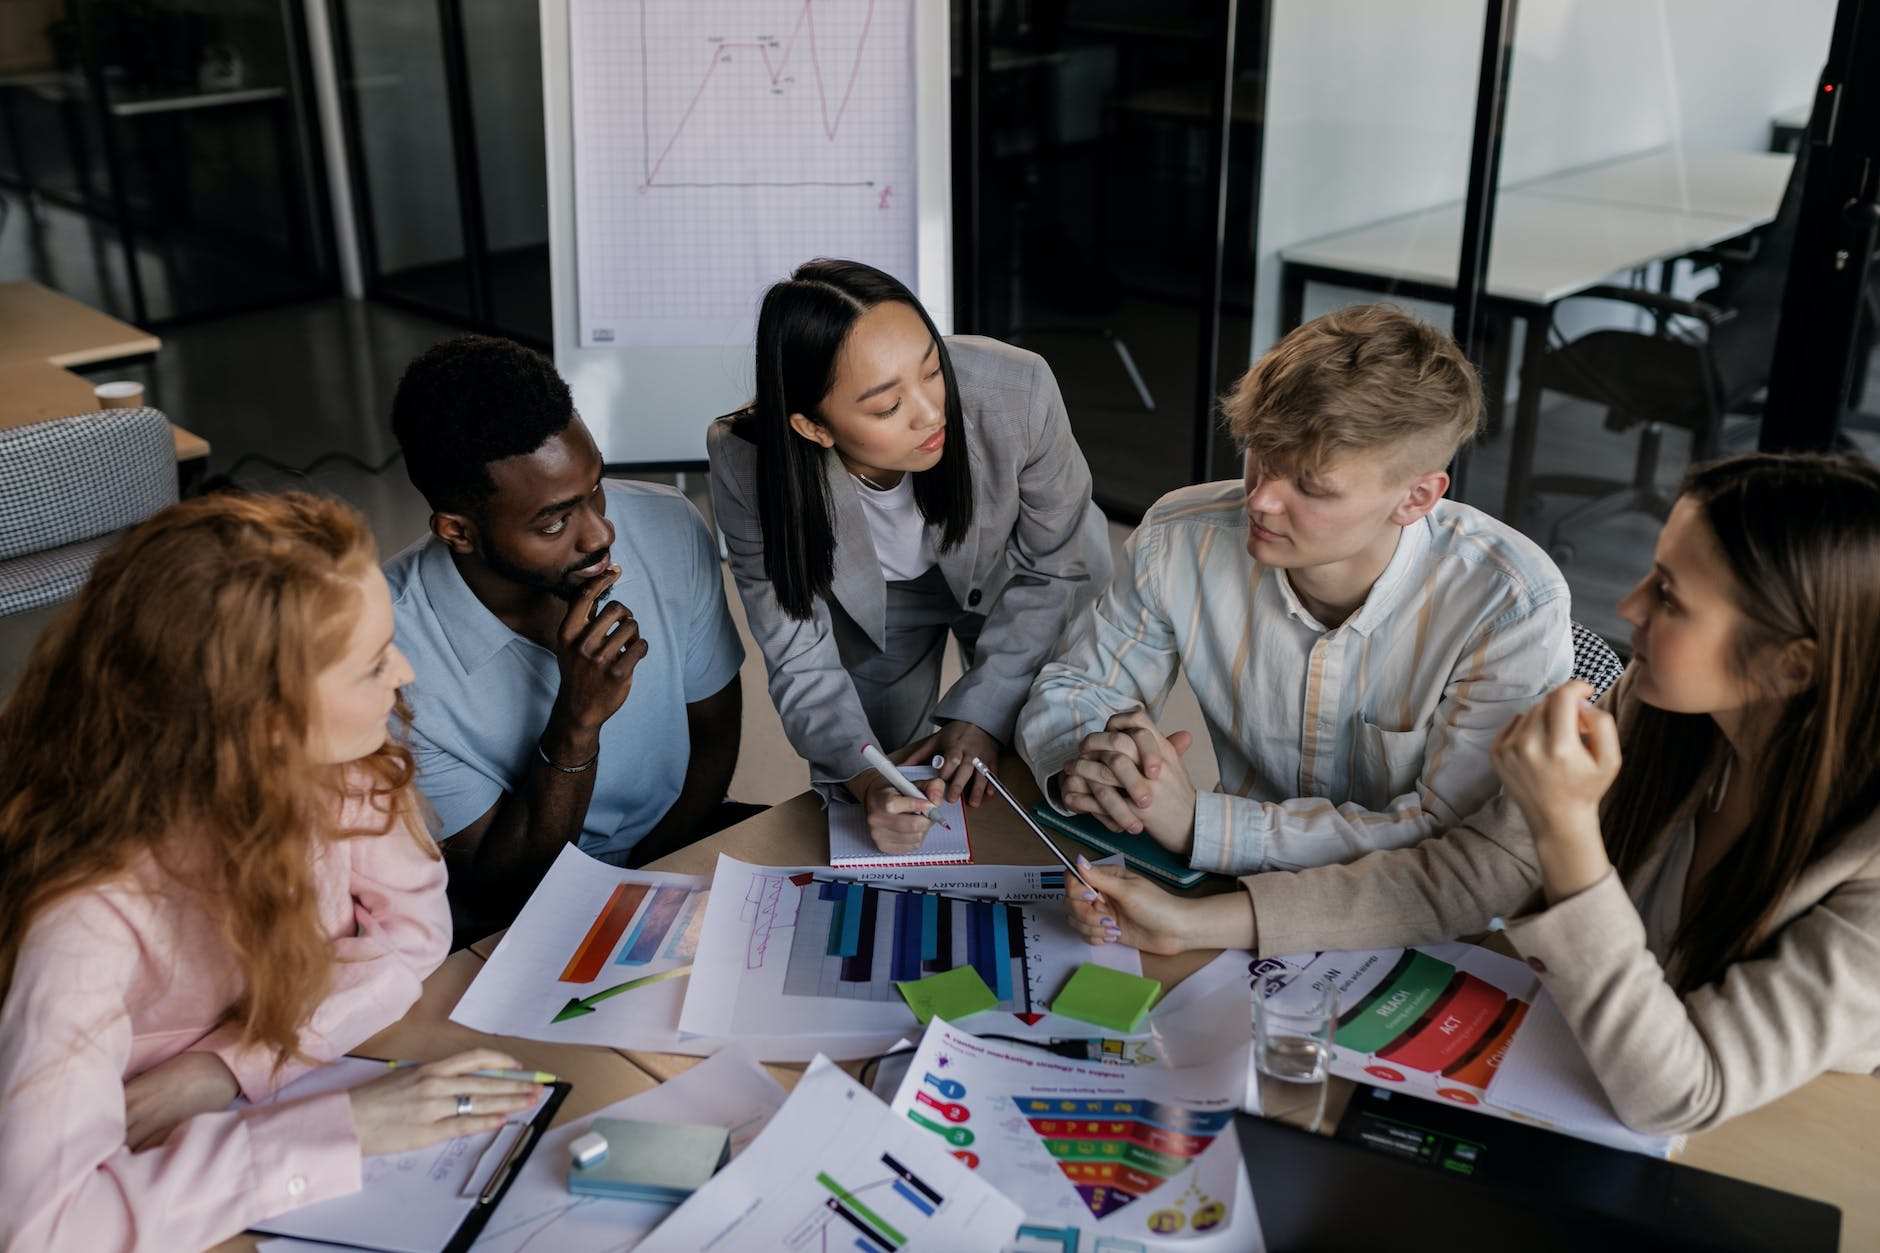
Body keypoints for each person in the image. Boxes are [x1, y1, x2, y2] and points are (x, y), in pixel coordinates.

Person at [1066, 452, 1880, 1134]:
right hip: (1581, 1074)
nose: (1628, 607)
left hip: (1779, 1139)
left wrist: (1567, 830)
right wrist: (1199, 918)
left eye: (1669, 596)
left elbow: (1677, 1095)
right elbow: (1467, 874)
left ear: (1793, 666)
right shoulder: (1670, 712)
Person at [0, 492, 542, 1251]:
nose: (406, 671)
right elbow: (43, 1227)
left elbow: (415, 933)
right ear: (263, 722)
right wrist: (344, 1128)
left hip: (222, 1124)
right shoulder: (88, 914)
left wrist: (231, 1066)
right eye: (373, 662)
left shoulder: (346, 766)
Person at [1016, 303, 1571, 874]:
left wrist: (1200, 826)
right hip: (1228, 886)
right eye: (1261, 454)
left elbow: (1456, 836)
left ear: (1417, 498)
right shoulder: (1178, 538)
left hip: (1425, 923)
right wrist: (1096, 763)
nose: (1259, 499)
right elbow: (1080, 684)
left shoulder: (1510, 602)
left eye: (1311, 486)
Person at [708, 258, 1113, 852]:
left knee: (1042, 742)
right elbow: (798, 654)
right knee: (888, 770)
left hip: (1021, 575)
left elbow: (1056, 565)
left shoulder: (1017, 389)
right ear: (813, 428)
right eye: (885, 407)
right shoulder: (747, 460)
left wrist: (981, 716)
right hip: (882, 603)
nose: (930, 412)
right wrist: (870, 781)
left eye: (931, 371)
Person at [386, 336, 749, 931]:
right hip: (511, 912)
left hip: (672, 852)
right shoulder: (386, 650)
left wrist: (653, 891)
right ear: (458, 531)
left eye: (596, 487)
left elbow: (712, 740)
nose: (600, 533)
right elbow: (501, 887)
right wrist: (577, 721)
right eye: (555, 521)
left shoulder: (669, 524)